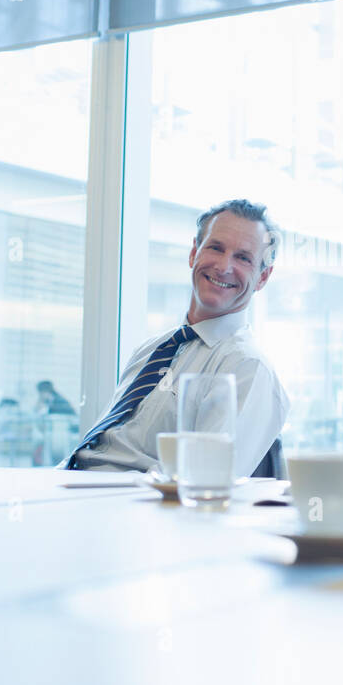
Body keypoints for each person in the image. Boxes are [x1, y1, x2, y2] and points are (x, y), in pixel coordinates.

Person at [64, 199, 288, 477]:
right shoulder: (151, 350)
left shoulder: (247, 367)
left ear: (263, 277)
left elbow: (204, 476)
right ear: (194, 253)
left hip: (127, 504)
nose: (223, 266)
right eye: (215, 248)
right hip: (72, 482)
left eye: (242, 258)